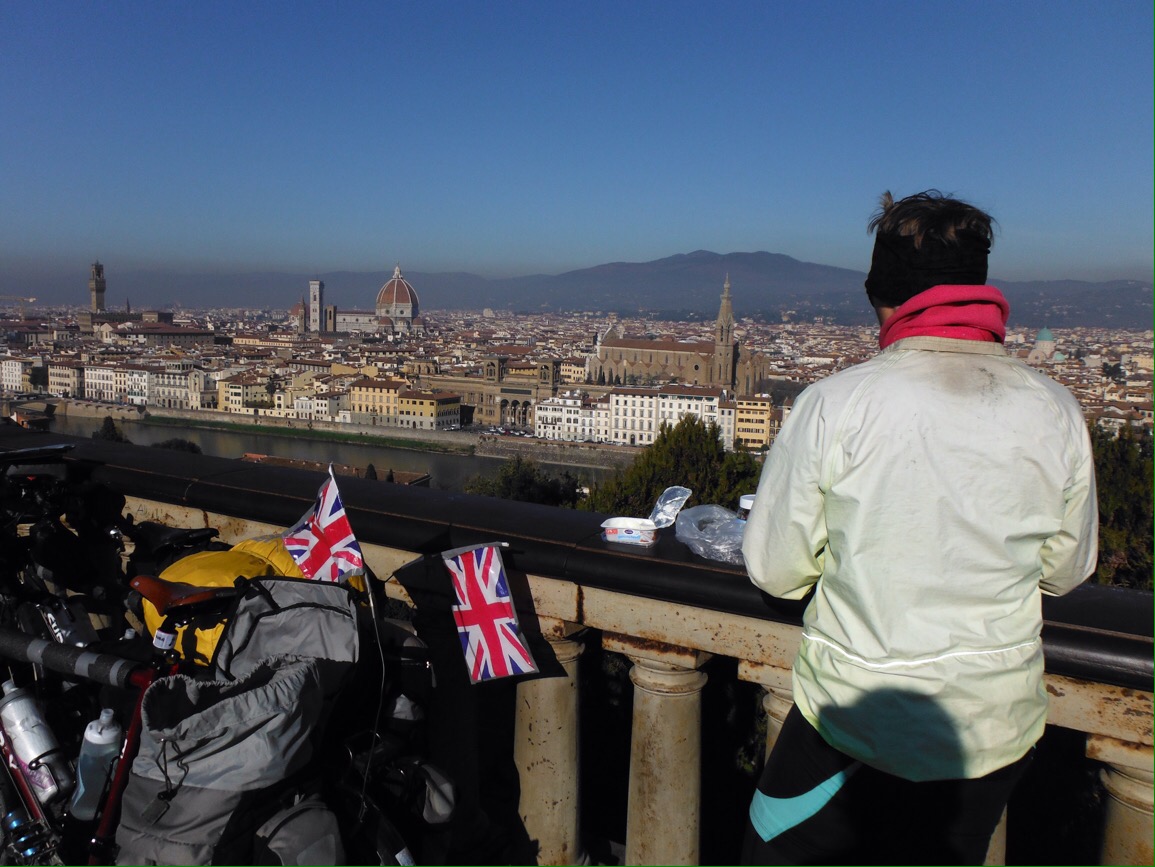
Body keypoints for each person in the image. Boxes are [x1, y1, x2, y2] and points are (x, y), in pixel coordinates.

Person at [740, 190, 1098, 864]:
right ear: (979, 287)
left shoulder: (834, 405)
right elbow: (1066, 570)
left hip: (856, 725)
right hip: (992, 732)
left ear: (879, 294)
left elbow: (776, 572)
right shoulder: (1056, 409)